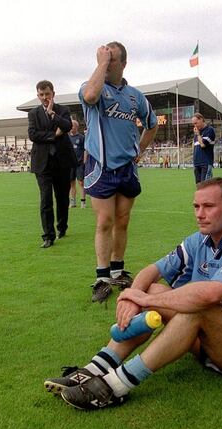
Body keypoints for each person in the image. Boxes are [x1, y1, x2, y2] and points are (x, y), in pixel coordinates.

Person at [43, 178, 222, 410]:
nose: (199, 214)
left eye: (208, 206)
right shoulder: (199, 240)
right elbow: (152, 270)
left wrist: (145, 300)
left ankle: (115, 386)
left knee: (194, 305)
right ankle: (97, 367)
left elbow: (210, 295)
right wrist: (132, 295)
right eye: (196, 206)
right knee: (152, 287)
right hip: (208, 344)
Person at [79, 41, 158, 303]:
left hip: (127, 167)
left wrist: (141, 149)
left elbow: (152, 124)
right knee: (104, 222)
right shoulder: (92, 88)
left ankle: (117, 269)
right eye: (103, 57)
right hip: (101, 166)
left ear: (124, 63)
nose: (106, 61)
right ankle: (101, 278)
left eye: (112, 58)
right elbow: (90, 96)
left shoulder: (135, 95)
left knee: (122, 221)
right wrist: (101, 64)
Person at [28, 80, 77, 248]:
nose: (44, 97)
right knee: (45, 199)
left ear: (53, 94)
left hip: (62, 161)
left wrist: (52, 114)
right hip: (42, 163)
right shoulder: (33, 114)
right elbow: (33, 135)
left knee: (62, 198)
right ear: (37, 96)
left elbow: (68, 126)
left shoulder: (62, 110)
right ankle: (48, 236)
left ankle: (62, 226)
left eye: (47, 94)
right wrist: (53, 135)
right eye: (41, 95)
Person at [191, 113, 216, 184]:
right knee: (199, 186)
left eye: (196, 123)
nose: (195, 126)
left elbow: (202, 145)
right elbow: (194, 146)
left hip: (205, 163)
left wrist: (198, 134)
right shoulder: (197, 133)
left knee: (206, 187)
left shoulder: (209, 130)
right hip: (196, 163)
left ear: (201, 119)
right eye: (193, 124)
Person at [68, 119, 87, 209]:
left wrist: (84, 161)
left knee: (81, 182)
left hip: (79, 164)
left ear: (77, 127)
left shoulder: (81, 137)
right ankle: (73, 202)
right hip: (69, 164)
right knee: (71, 183)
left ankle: (83, 202)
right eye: (71, 126)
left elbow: (85, 150)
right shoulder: (67, 137)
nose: (72, 128)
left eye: (73, 126)